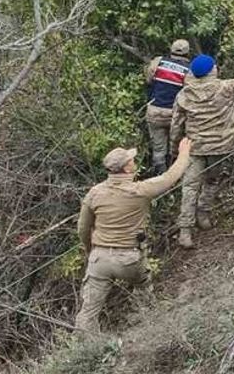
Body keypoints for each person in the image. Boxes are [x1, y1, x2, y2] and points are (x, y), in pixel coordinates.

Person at [74, 137, 193, 333]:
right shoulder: (141, 190)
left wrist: (91, 251)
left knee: (88, 312)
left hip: (99, 260)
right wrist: (184, 153)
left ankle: (86, 350)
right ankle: (148, 325)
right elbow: (171, 176)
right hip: (130, 258)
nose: (134, 162)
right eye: (131, 160)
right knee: (143, 286)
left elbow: (83, 229)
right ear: (127, 169)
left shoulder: (94, 193)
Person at [169, 52, 234, 248]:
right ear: (212, 71)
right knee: (213, 179)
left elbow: (176, 125)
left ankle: (185, 230)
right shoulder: (226, 88)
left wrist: (175, 149)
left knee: (190, 187)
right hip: (221, 146)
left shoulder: (184, 95)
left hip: (195, 147)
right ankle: (204, 214)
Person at [143, 39, 190, 173]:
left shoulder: (159, 62)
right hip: (175, 114)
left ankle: (160, 179)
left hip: (155, 110)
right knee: (176, 148)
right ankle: (175, 178)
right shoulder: (189, 70)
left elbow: (148, 80)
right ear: (187, 53)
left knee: (158, 149)